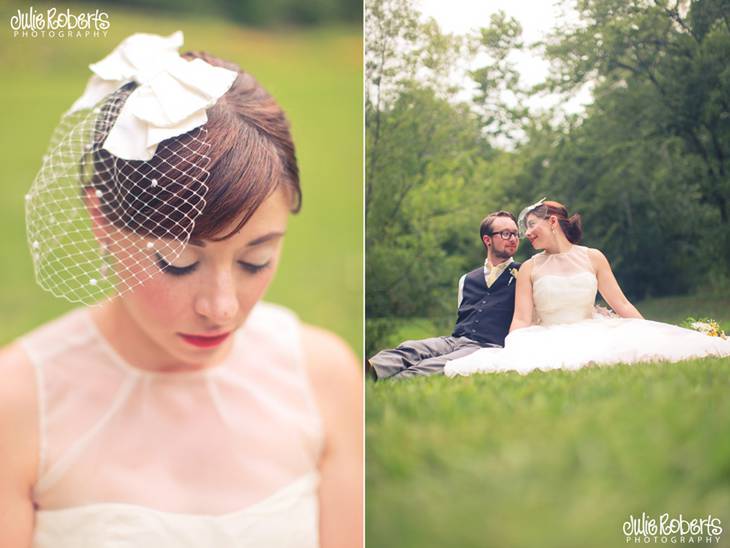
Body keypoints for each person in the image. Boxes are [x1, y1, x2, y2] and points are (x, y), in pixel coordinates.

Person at [0, 32, 362, 548]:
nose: (222, 308)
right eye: (176, 263)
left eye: (255, 259)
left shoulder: (323, 377)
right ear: (101, 217)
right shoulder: (15, 404)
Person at [445, 199, 730, 376]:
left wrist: (647, 332)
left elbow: (622, 305)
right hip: (547, 335)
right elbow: (520, 318)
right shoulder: (530, 267)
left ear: (553, 222)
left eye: (531, 225)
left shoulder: (593, 257)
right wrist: (513, 348)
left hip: (590, 328)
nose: (526, 233)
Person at [367, 210, 521, 379]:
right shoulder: (467, 279)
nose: (513, 239)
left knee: (433, 365)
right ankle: (368, 371)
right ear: (487, 240)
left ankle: (394, 382)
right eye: (506, 234)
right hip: (454, 340)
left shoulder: (524, 275)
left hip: (486, 346)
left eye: (515, 234)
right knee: (411, 348)